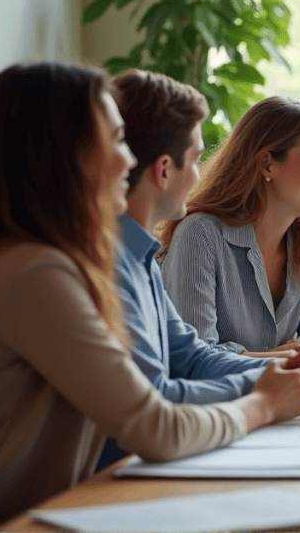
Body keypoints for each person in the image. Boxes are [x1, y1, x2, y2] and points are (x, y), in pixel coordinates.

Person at [0, 62, 300, 527]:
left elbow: (188, 354)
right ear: (64, 154)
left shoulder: (109, 256)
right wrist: (267, 400)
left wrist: (276, 371)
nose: (129, 160)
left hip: (75, 504)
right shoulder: (38, 272)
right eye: (114, 141)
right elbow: (154, 422)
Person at [159, 96, 300, 380]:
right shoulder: (199, 234)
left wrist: (299, 351)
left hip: (279, 402)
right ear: (266, 164)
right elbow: (196, 360)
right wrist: (298, 357)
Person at [114, 69, 270, 403]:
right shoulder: (109, 264)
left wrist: (279, 371)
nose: (200, 176)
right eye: (198, 158)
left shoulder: (142, 259)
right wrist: (265, 391)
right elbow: (154, 399)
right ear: (165, 169)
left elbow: (189, 356)